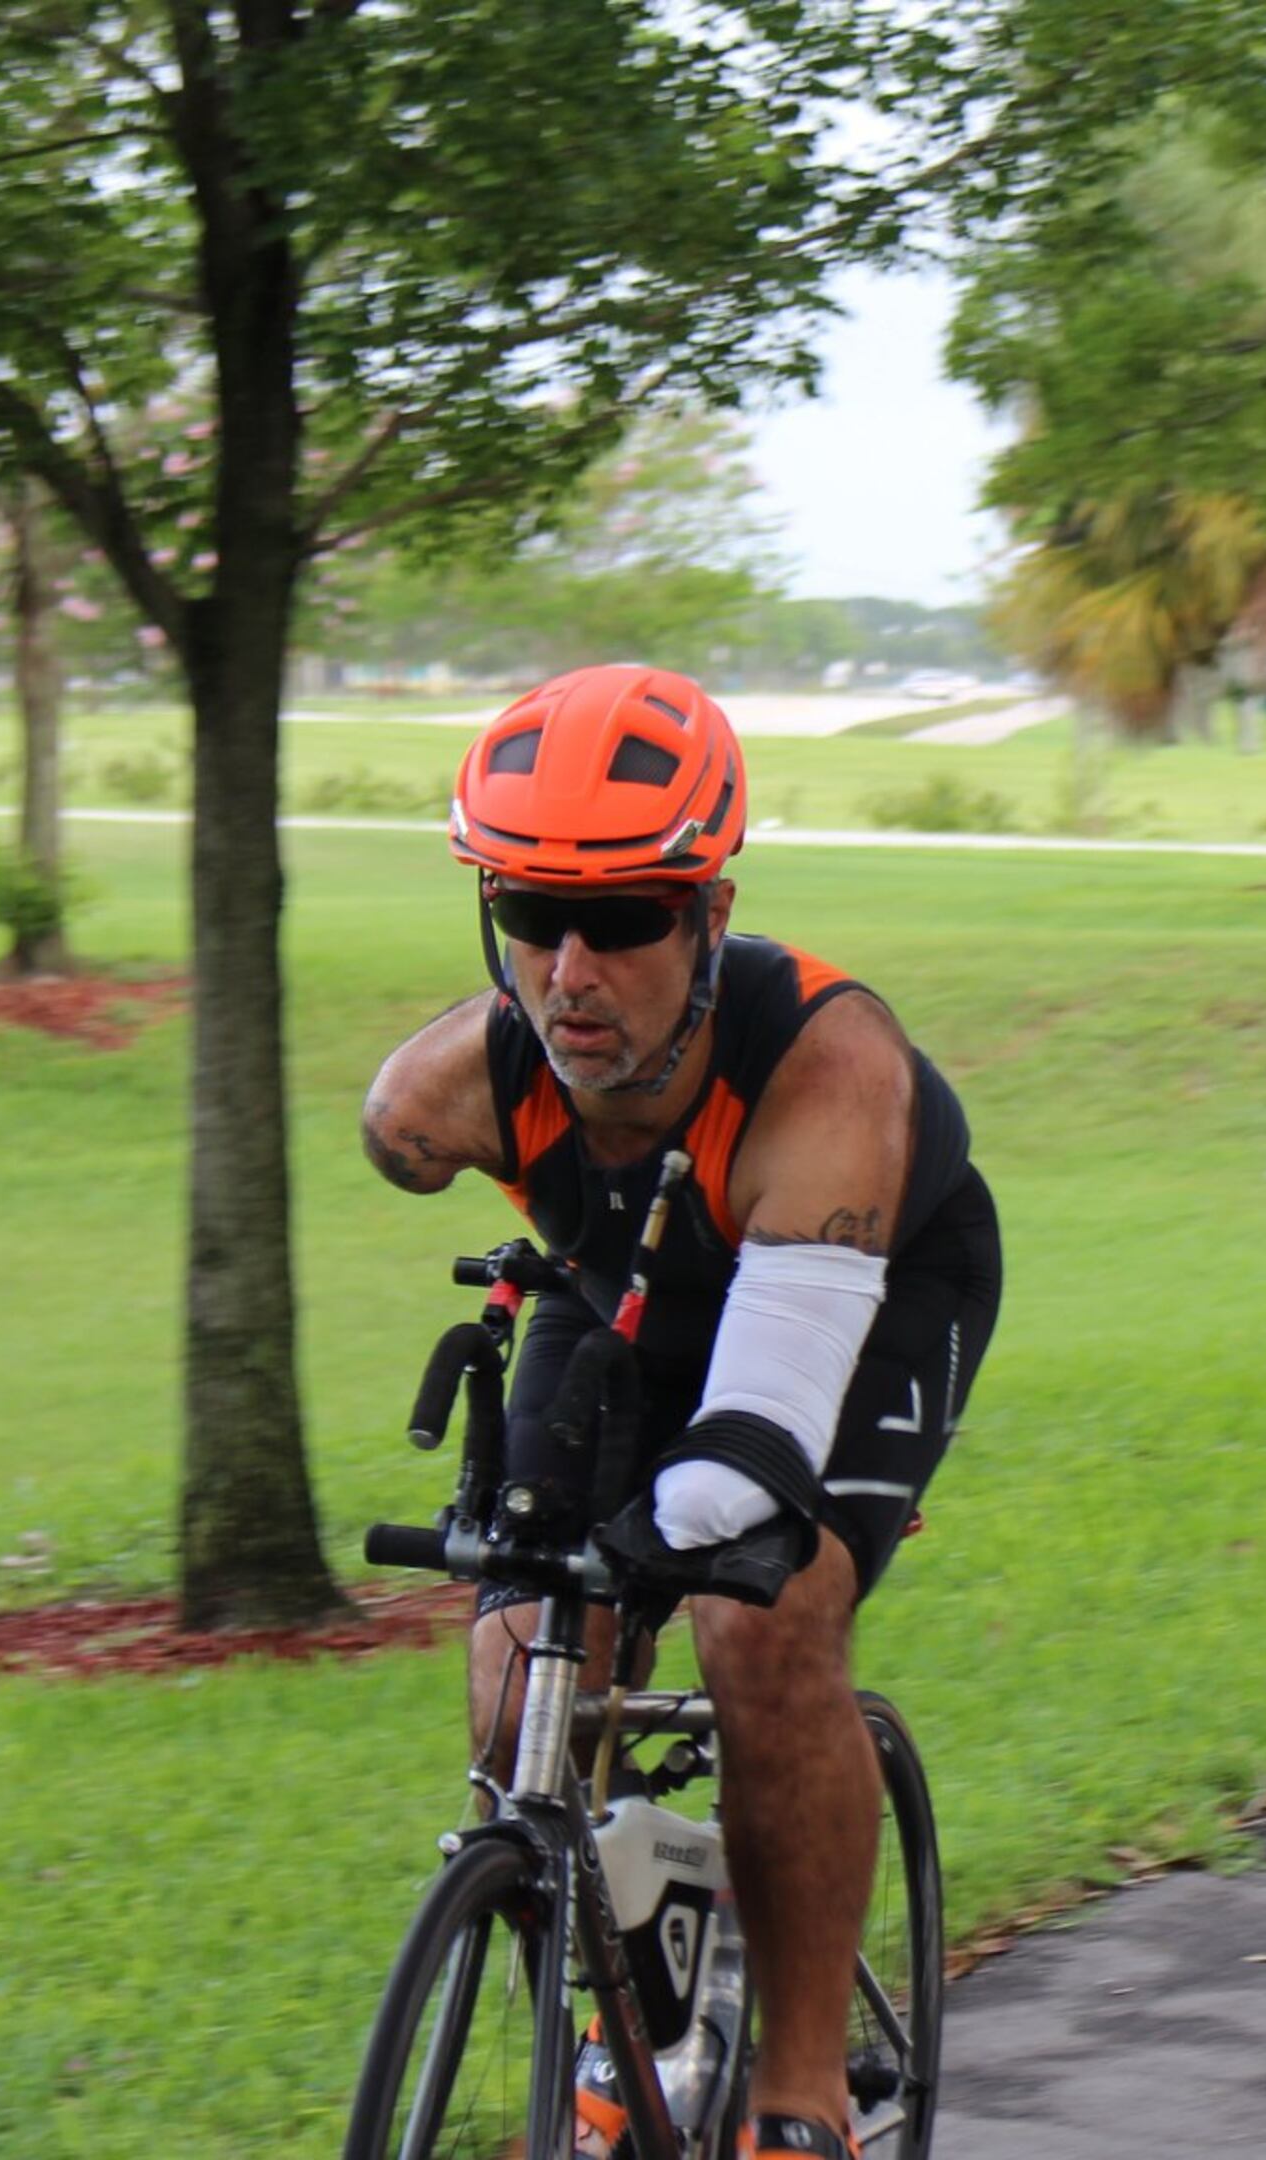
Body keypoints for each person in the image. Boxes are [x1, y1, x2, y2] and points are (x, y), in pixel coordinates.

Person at [360, 663, 1003, 2160]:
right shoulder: (442, 1093)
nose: (572, 971)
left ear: (711, 913)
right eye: (532, 914)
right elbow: (402, 1142)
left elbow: (762, 1420)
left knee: (756, 1616)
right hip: (629, 1293)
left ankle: (801, 2093)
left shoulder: (831, 1063)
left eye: (628, 918)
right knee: (518, 1671)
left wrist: (693, 1525)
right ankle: (625, 2014)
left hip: (865, 1285)